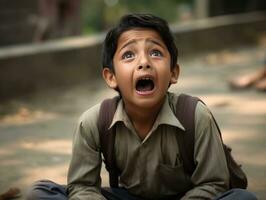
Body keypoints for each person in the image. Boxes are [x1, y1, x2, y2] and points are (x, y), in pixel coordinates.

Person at [26, 14, 257, 200]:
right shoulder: (94, 122)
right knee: (42, 192)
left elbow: (213, 184)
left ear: (174, 73)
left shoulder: (195, 115)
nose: (144, 62)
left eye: (155, 52)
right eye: (128, 55)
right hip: (127, 196)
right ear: (111, 77)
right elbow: (82, 186)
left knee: (242, 197)